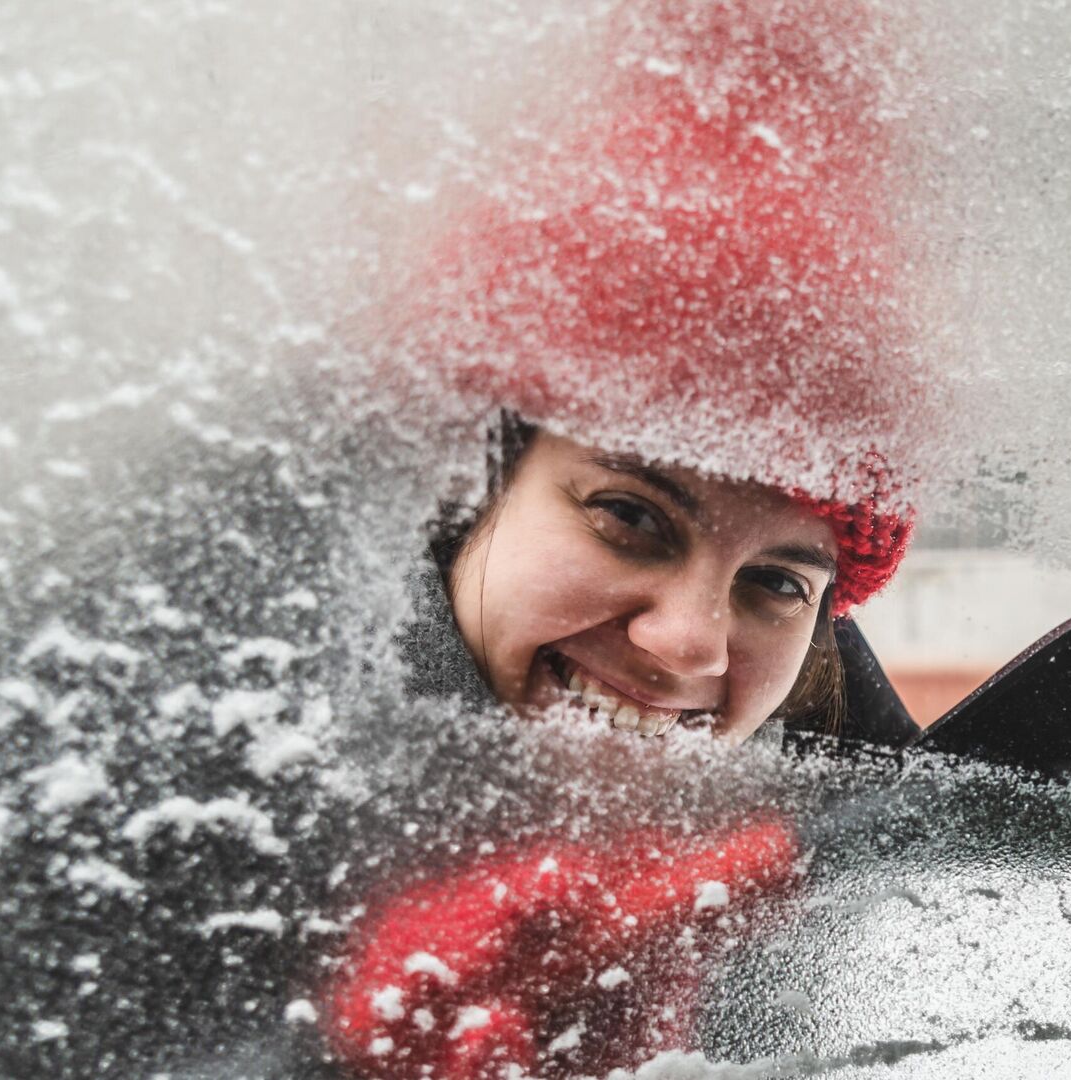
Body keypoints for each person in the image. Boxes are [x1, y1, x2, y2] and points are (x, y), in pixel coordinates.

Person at [324, 0, 944, 1073]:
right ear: (465, 487)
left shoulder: (838, 837)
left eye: (776, 586)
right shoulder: (171, 737)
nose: (691, 645)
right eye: (630, 518)